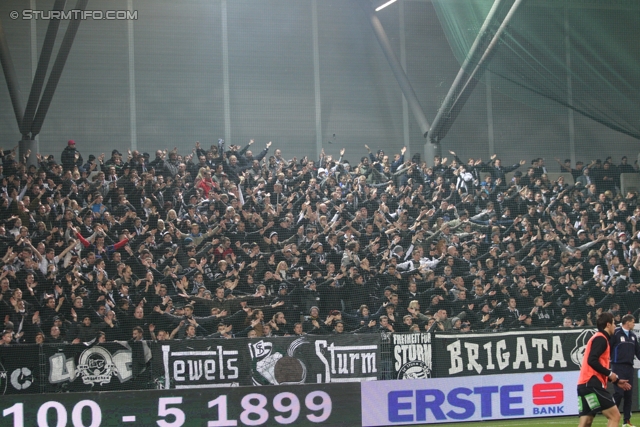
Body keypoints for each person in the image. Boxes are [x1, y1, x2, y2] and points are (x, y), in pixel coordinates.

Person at [577, 312, 630, 427]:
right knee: (615, 416)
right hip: (593, 384)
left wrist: (615, 380)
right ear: (608, 324)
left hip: (584, 385)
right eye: (614, 323)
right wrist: (610, 373)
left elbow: (594, 363)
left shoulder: (596, 338)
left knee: (586, 422)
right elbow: (592, 360)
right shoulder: (601, 338)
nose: (615, 326)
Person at [610, 314, 640, 427]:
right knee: (619, 393)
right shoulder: (616, 333)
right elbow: (608, 347)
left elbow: (638, 352)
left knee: (628, 395)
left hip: (629, 367)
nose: (634, 323)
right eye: (633, 321)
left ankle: (626, 421)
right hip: (618, 367)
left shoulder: (633, 336)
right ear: (627, 322)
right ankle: (612, 416)